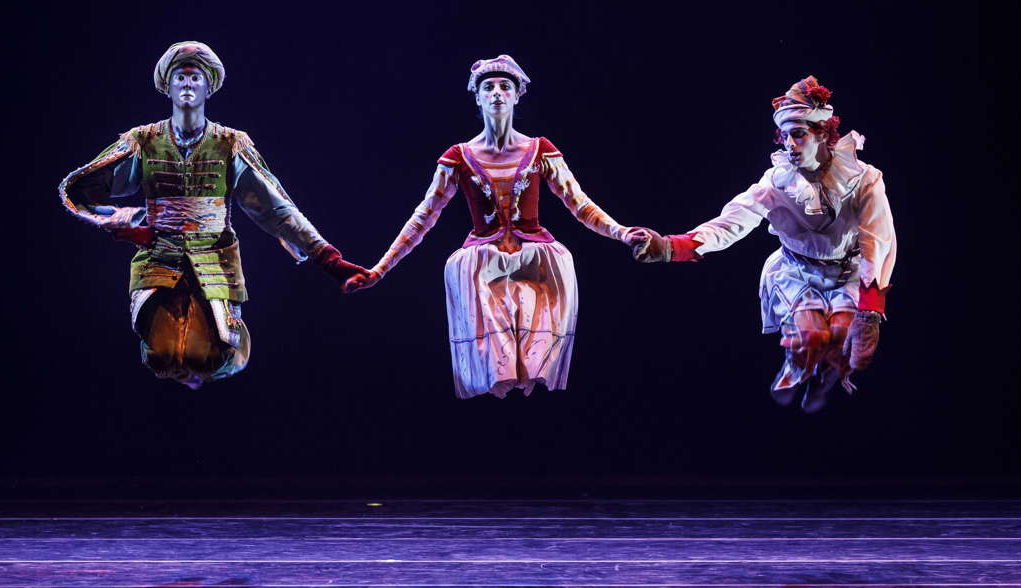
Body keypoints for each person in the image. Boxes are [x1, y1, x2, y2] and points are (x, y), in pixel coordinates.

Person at [344, 55, 655, 399]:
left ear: (517, 95)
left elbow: (579, 203)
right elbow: (423, 218)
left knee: (533, 349)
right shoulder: (459, 157)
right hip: (483, 264)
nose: (496, 93)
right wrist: (380, 270)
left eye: (504, 87)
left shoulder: (540, 150)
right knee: (497, 351)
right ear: (476, 97)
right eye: (487, 87)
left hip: (537, 260)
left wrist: (623, 232)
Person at [59, 41, 366, 388]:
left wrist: (330, 260)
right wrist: (127, 221)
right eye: (180, 77)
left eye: (195, 78)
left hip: (215, 260)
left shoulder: (230, 144)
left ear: (208, 86)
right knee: (162, 356)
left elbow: (276, 207)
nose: (187, 85)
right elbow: (80, 188)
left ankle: (218, 348)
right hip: (159, 259)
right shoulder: (142, 142)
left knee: (207, 356)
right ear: (167, 86)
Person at [634, 76, 896, 412]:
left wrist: (870, 311)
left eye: (798, 134)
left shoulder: (864, 180)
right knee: (812, 334)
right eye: (785, 135)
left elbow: (880, 240)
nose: (790, 143)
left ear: (822, 134)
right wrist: (671, 246)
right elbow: (733, 221)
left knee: (843, 336)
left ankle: (826, 376)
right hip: (798, 270)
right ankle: (797, 367)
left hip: (848, 271)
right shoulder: (776, 182)